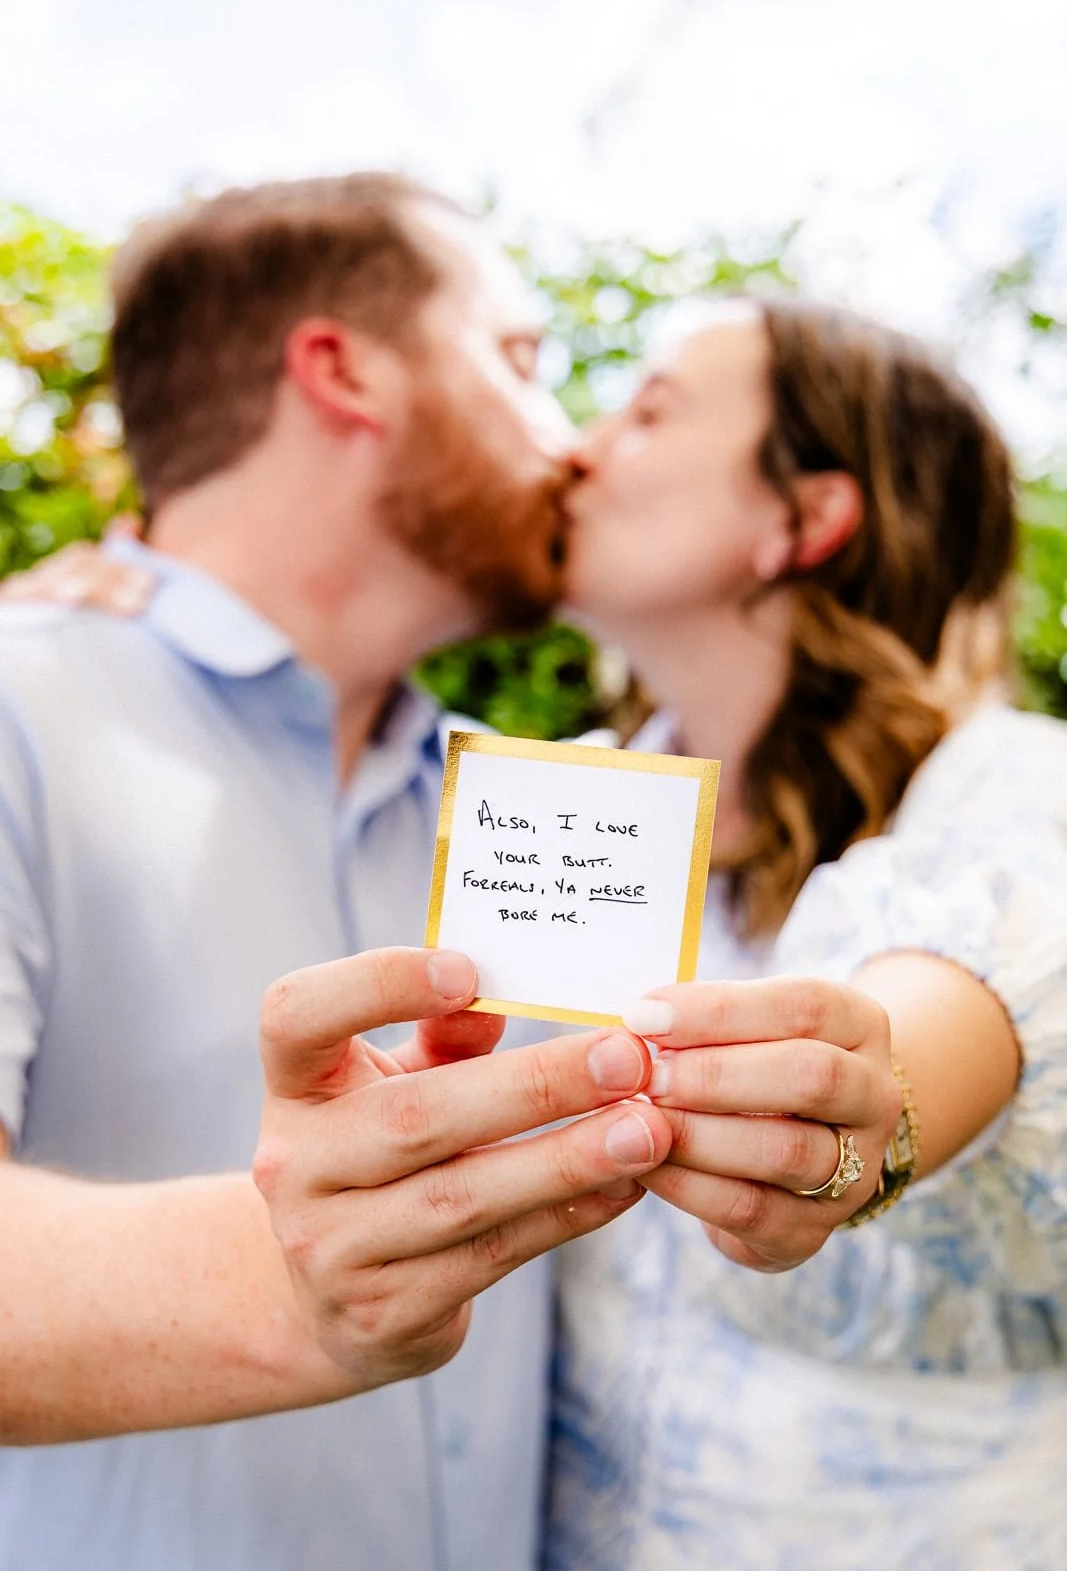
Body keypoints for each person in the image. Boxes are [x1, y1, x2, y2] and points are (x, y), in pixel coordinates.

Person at [0, 177, 899, 1571]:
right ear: (341, 371)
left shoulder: (549, 802)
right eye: (522, 364)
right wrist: (288, 1285)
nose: (571, 446)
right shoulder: (21, 707)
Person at [542, 299, 1067, 1568]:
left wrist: (861, 1108)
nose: (576, 446)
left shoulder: (1019, 799)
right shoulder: (566, 809)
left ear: (802, 521)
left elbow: (967, 999)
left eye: (650, 407)